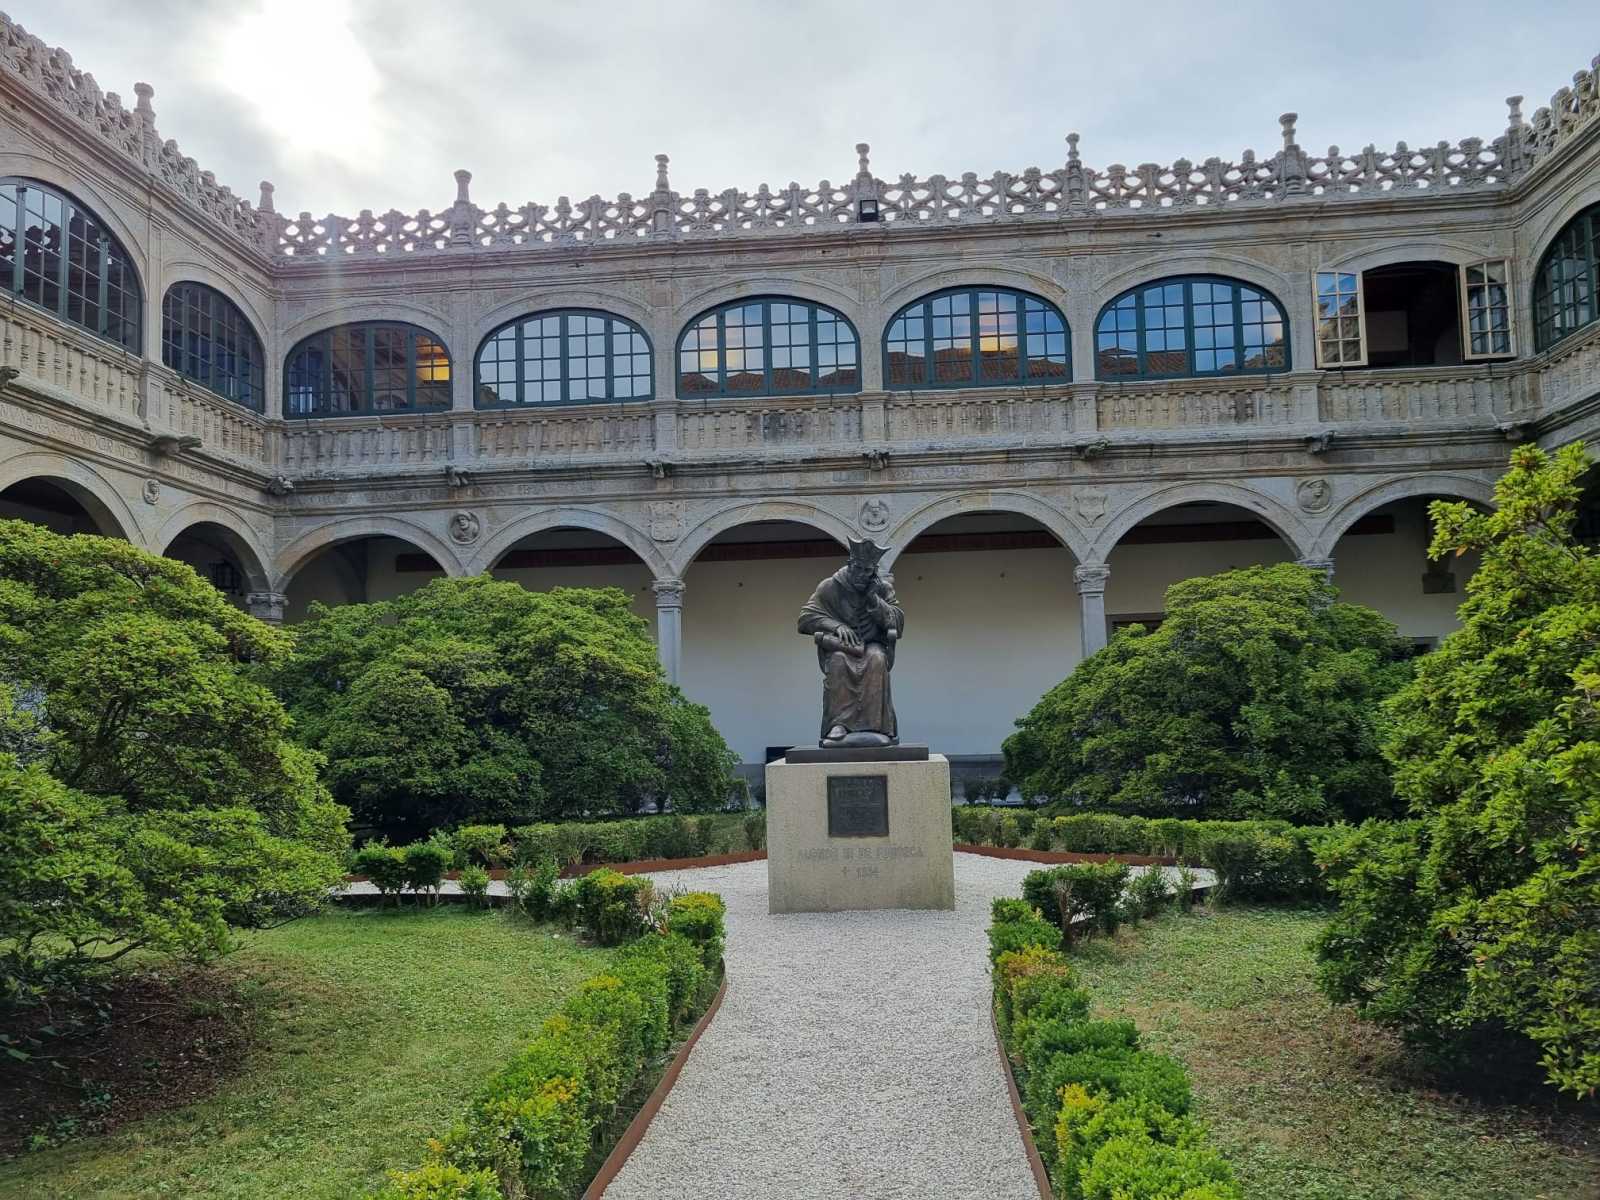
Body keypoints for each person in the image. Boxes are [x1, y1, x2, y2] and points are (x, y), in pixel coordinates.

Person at [796, 537, 905, 747]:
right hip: (841, 646)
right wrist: (836, 626)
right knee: (838, 660)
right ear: (850, 565)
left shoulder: (882, 588)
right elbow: (805, 619)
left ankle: (875, 727)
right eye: (858, 569)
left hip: (872, 644)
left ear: (874, 571)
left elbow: (897, 623)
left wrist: (874, 599)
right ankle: (839, 724)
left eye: (867, 571)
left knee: (876, 658)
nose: (862, 575)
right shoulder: (830, 586)